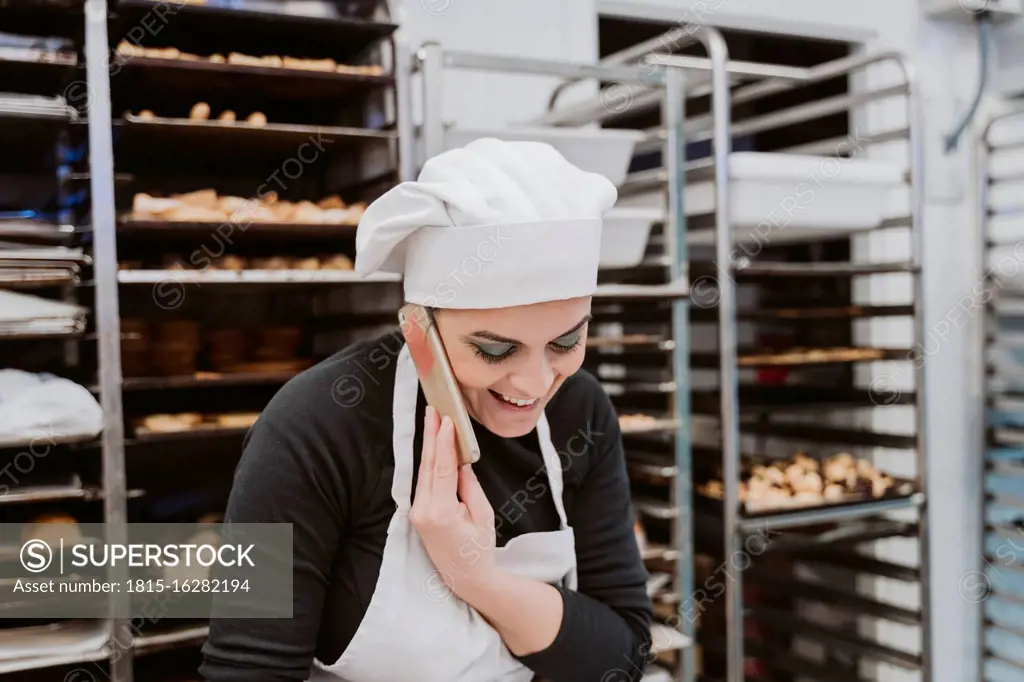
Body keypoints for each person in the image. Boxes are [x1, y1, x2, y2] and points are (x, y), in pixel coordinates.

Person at [199, 138, 654, 682]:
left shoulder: (583, 414)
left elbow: (624, 655)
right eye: (494, 349)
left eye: (566, 341)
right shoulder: (315, 425)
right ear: (419, 331)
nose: (535, 383)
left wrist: (479, 579)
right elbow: (247, 671)